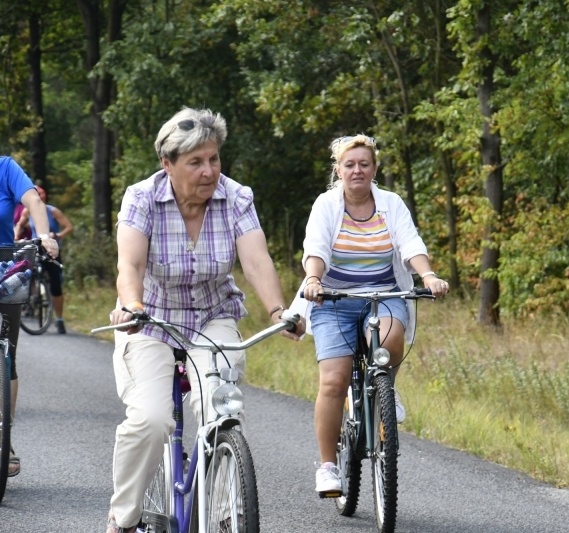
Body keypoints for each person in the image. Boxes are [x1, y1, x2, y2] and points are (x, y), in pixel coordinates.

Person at [104, 107, 305, 533]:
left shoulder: (236, 196)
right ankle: (122, 518)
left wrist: (277, 310)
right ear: (168, 164)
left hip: (213, 316)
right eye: (195, 162)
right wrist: (132, 304)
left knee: (221, 409)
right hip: (150, 320)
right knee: (152, 419)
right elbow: (130, 265)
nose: (208, 170)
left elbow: (255, 259)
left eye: (213, 159)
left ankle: (227, 505)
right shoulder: (142, 198)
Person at [288, 134, 449, 496]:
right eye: (350, 164)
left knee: (391, 340)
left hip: (383, 296)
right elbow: (315, 247)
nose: (357, 170)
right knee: (334, 380)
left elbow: (410, 243)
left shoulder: (391, 204)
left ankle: (384, 389)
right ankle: (328, 467)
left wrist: (428, 276)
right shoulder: (326, 205)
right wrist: (313, 279)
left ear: (374, 169)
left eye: (364, 164)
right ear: (339, 170)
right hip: (333, 299)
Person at [0, 156, 59, 478]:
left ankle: (3, 438)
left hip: (3, 270)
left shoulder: (5, 167)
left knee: (8, 356)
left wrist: (45, 235)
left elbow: (33, 199)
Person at [14, 185, 74, 333]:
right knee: (25, 273)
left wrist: (57, 235)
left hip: (52, 250)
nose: (39, 196)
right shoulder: (28, 211)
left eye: (41, 194)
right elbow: (20, 225)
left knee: (56, 285)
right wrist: (16, 236)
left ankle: (59, 319)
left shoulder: (52, 211)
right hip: (36, 248)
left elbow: (69, 227)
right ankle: (30, 300)